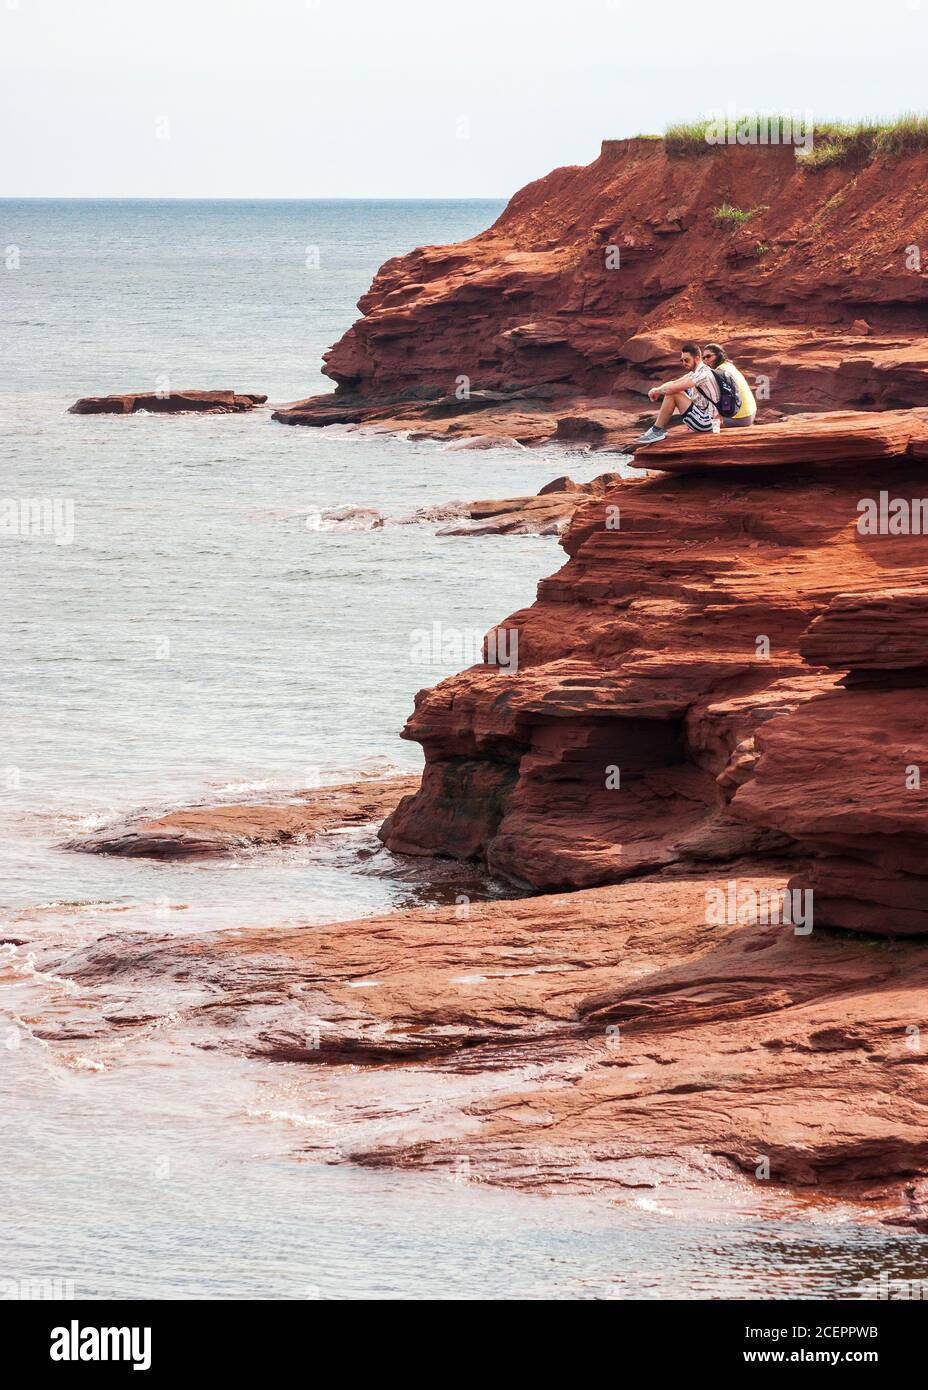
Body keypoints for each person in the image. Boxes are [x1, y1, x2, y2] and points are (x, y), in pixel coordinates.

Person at [636, 342, 720, 445]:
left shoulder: (703, 374)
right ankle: (656, 430)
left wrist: (658, 391)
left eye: (686, 360)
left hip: (708, 423)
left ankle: (657, 430)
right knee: (673, 391)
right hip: (704, 420)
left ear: (697, 358)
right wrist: (656, 389)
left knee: (674, 393)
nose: (684, 363)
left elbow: (673, 389)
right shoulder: (695, 373)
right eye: (682, 360)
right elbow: (674, 382)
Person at [703, 343, 756, 427]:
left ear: (718, 355)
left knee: (700, 423)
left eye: (708, 356)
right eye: (704, 358)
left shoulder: (720, 371)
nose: (706, 360)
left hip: (739, 418)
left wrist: (722, 416)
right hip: (750, 413)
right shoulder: (728, 365)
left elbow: (726, 395)